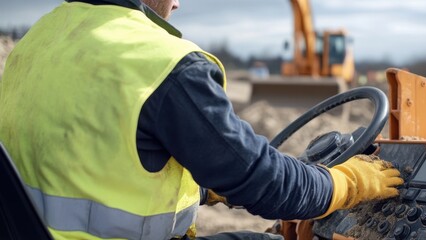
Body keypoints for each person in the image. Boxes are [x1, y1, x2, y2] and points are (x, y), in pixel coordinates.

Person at [0, 0, 404, 239]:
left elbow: (86, 151)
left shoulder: (41, 37)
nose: (177, 3)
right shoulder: (162, 64)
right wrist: (346, 182)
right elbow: (267, 185)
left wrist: (205, 185)